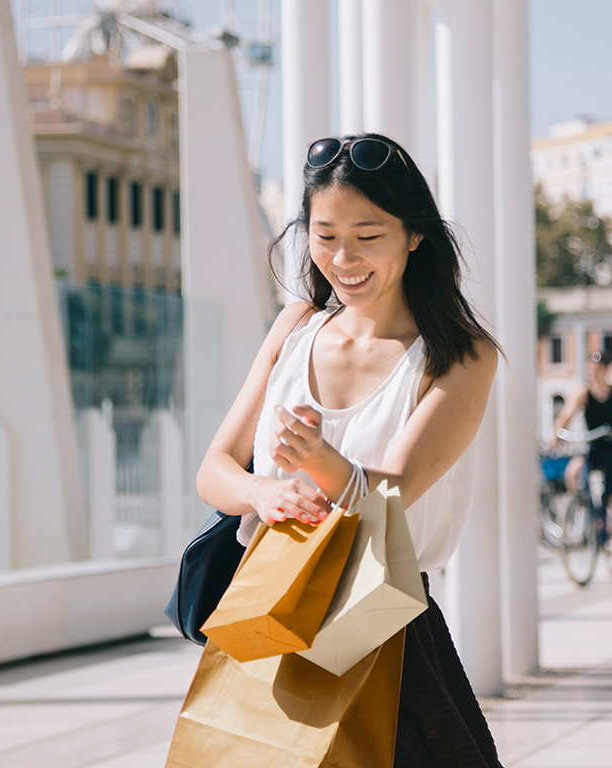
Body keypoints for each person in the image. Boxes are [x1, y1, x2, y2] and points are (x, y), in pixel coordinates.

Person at [189, 134, 502, 766]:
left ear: (415, 235)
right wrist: (263, 491)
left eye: (369, 234)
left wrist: (315, 460)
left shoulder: (460, 356)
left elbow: (394, 494)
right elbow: (214, 470)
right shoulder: (296, 324)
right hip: (271, 606)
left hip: (381, 618)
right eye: (325, 235)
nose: (344, 257)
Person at [550, 351, 612, 555]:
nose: (592, 375)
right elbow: (565, 415)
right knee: (573, 470)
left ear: (605, 371)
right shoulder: (583, 393)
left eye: (596, 371)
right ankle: (582, 508)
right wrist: (555, 433)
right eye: (589, 371)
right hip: (593, 448)